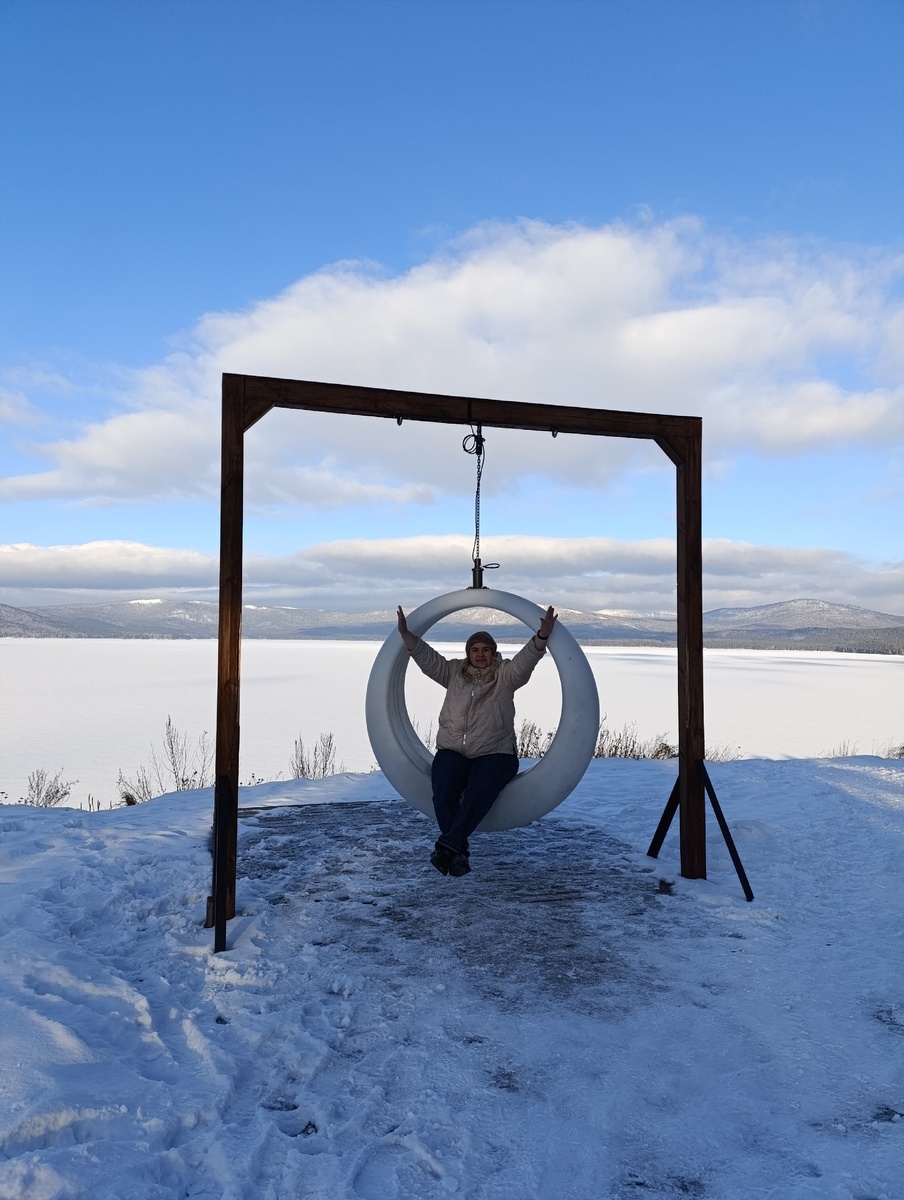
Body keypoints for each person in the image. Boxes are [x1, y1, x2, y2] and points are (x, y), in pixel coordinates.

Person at [396, 604, 558, 876]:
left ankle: (448, 846)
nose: (480, 654)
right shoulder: (453, 673)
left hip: (496, 753)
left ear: (493, 653)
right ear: (468, 653)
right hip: (453, 750)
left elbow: (526, 660)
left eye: (485, 650)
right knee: (443, 791)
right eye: (475, 649)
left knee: (480, 792)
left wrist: (541, 638)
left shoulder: (505, 674)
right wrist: (406, 634)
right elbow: (426, 657)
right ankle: (457, 851)